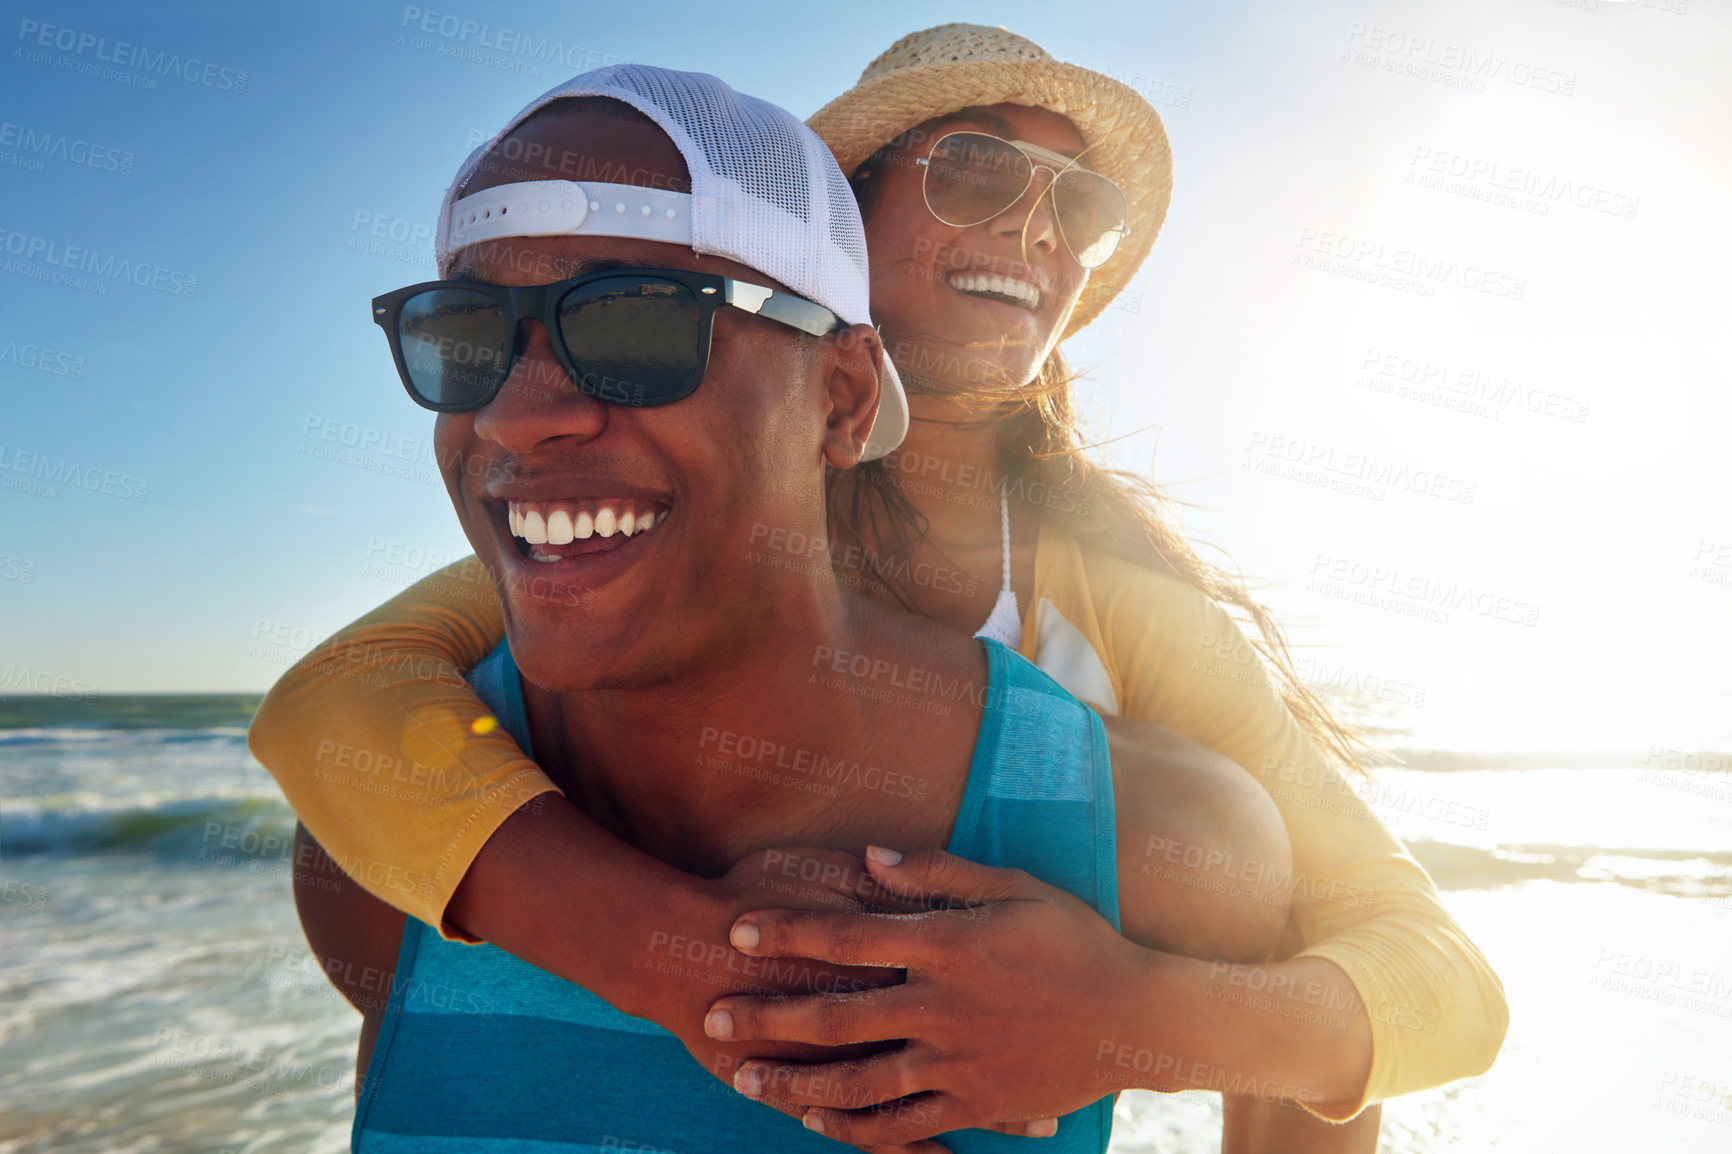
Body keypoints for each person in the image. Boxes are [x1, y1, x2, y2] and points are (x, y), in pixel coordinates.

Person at [255, 26, 1508, 1152]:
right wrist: (691, 961)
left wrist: (1126, 1014)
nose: (1034, 229)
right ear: (842, 223)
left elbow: (1421, 968)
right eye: (972, 171)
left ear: (842, 395)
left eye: (1082, 207)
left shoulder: (1111, 595)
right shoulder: (641, 520)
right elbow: (337, 706)